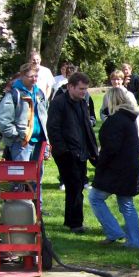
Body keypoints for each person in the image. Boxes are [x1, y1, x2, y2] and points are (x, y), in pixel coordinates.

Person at [89, 86, 139, 248]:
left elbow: (111, 148)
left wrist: (99, 163)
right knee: (126, 204)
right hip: (129, 169)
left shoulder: (115, 120)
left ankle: (114, 232)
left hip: (116, 170)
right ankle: (134, 241)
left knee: (95, 198)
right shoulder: (129, 118)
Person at [47, 72, 98, 234]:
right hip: (67, 153)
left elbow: (87, 128)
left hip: (81, 151)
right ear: (70, 87)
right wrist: (64, 151)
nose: (84, 92)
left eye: (85, 89)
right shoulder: (58, 103)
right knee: (74, 186)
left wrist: (92, 150)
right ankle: (76, 223)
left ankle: (71, 221)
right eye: (81, 89)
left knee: (77, 186)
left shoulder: (82, 103)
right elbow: (53, 129)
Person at [0, 63, 50, 163]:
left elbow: (45, 116)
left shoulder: (39, 93)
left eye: (36, 76)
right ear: (22, 76)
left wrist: (46, 139)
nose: (34, 79)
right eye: (31, 76)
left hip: (39, 142)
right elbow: (2, 119)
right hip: (21, 144)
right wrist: (16, 135)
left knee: (37, 173)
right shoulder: (14, 94)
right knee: (22, 173)